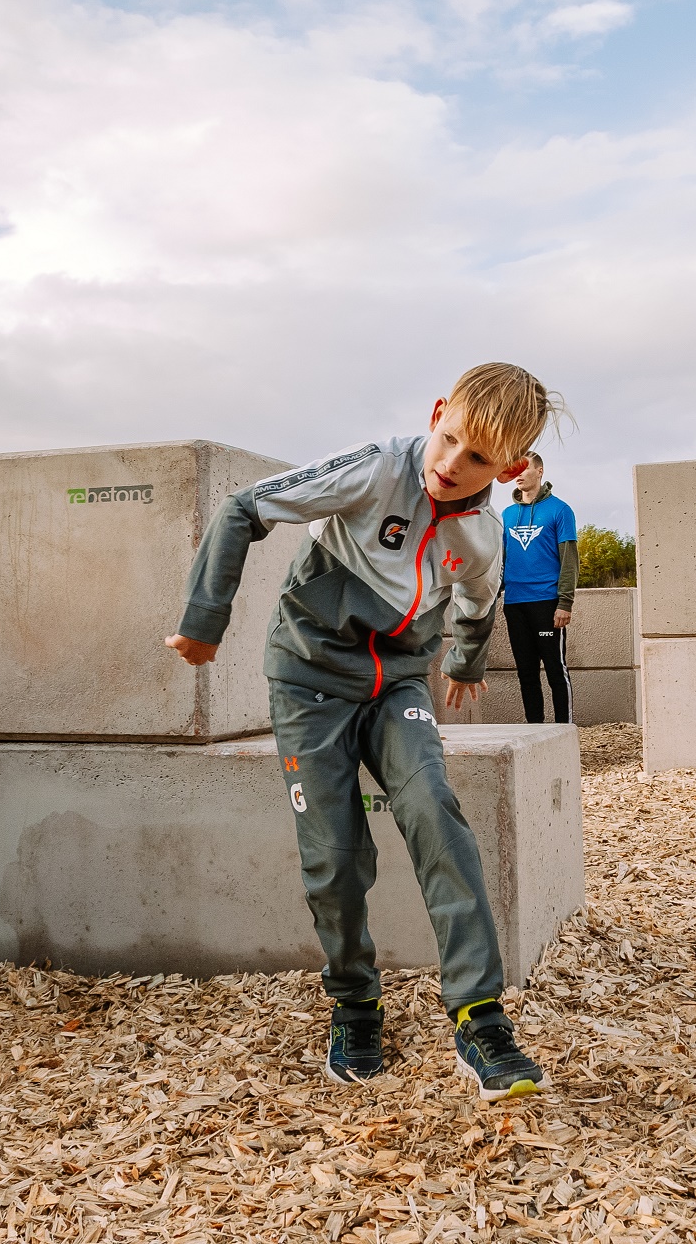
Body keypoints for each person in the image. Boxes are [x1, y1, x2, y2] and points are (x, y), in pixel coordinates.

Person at [163, 362, 557, 1101]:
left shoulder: (480, 532)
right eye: (447, 441)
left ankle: (479, 1017)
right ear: (437, 413)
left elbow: (478, 598)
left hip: (396, 686)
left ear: (506, 469)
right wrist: (202, 620)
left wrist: (467, 663)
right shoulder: (376, 468)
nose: (449, 466)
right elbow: (245, 508)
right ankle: (354, 1001)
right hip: (310, 679)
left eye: (475, 459)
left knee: (434, 813)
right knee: (336, 855)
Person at [498, 454, 577, 723]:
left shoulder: (560, 510)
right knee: (526, 672)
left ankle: (564, 730)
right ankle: (534, 732)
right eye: (513, 469)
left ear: (540, 471)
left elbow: (569, 560)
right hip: (515, 603)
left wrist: (564, 602)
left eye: (524, 468)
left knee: (556, 670)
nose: (517, 474)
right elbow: (501, 561)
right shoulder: (507, 515)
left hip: (546, 602)